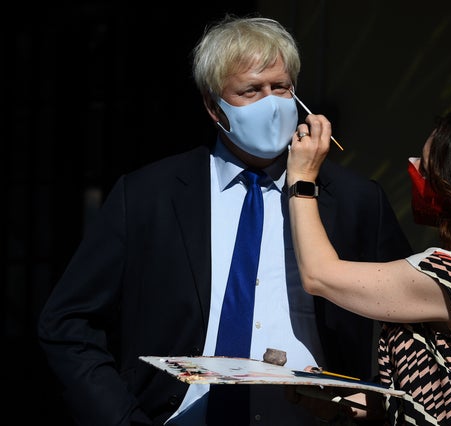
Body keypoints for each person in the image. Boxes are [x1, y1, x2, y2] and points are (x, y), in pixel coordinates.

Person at [37, 14, 412, 426]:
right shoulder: (149, 195)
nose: (271, 103)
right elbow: (68, 322)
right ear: (214, 106)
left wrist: (375, 403)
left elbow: (410, 319)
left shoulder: (356, 200)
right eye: (251, 90)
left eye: (281, 87)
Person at [286, 106, 451, 425]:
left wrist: (302, 179)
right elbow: (422, 395)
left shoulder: (448, 276)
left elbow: (319, 275)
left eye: (426, 168)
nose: (413, 167)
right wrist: (334, 401)